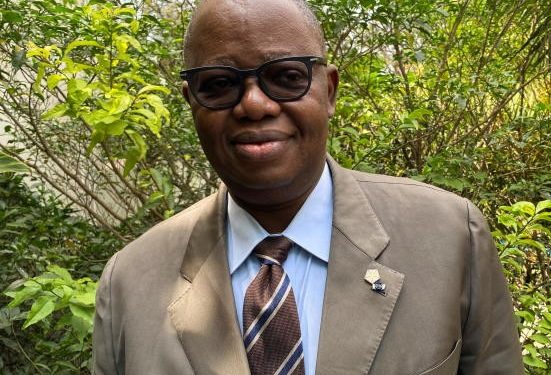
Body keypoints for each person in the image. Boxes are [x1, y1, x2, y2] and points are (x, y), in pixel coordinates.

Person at [92, 0, 524, 374]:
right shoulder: (129, 283)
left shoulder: (449, 236)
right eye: (220, 84)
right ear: (192, 101)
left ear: (330, 90)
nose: (255, 104)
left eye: (285, 76)